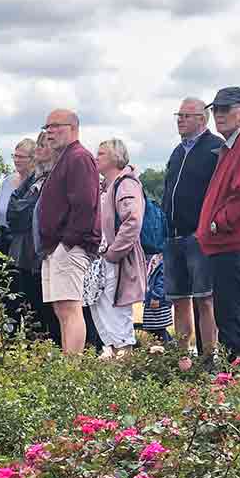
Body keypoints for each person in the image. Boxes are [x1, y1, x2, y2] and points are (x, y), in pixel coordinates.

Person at [197, 87, 240, 364]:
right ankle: (239, 376)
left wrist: (217, 223)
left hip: (232, 243)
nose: (219, 115)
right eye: (216, 110)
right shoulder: (235, 145)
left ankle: (237, 379)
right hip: (227, 243)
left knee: (232, 318)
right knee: (230, 316)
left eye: (225, 109)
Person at [161, 97, 224, 355]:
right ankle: (182, 357)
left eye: (186, 116)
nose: (180, 120)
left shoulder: (215, 148)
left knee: (205, 298)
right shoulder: (177, 152)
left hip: (199, 236)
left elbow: (219, 191)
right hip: (173, 235)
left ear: (202, 118)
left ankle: (209, 356)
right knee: (179, 299)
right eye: (178, 115)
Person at [37, 109, 100, 354]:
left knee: (70, 307)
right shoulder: (65, 158)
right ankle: (68, 365)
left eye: (56, 126)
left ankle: (72, 370)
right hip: (57, 246)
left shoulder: (79, 157)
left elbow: (85, 204)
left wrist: (67, 242)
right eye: (47, 127)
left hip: (70, 245)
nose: (49, 132)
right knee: (61, 308)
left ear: (72, 128)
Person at [0, 134, 59, 342]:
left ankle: (44, 347)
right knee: (17, 301)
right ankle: (25, 346)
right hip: (16, 248)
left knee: (40, 303)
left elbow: (29, 211)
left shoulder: (49, 177)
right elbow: (11, 210)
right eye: (14, 155)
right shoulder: (28, 180)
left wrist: (20, 210)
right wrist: (20, 210)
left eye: (21, 156)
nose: (16, 160)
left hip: (36, 249)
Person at [92, 139, 147, 358]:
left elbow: (132, 221)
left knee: (117, 313)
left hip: (118, 260)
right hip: (104, 259)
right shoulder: (106, 186)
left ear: (115, 158)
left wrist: (113, 253)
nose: (96, 158)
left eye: (102, 154)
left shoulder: (126, 184)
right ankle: (114, 361)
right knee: (104, 311)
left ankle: (124, 366)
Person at [139, 254, 173, 343]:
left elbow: (162, 281)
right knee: (153, 328)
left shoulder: (160, 261)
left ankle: (167, 347)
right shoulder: (152, 260)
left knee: (158, 328)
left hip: (158, 302)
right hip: (150, 300)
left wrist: (156, 296)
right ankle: (170, 345)